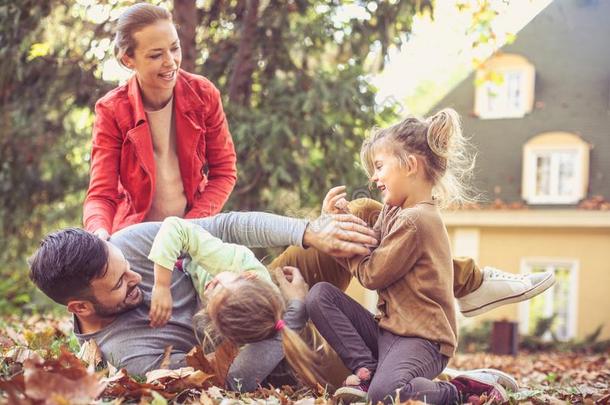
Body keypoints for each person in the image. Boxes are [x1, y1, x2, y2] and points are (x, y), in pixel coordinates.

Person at [305, 109, 509, 404]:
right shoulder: (394, 211)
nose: (374, 178)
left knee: (386, 395)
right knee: (320, 296)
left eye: (379, 166)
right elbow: (370, 245)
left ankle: (464, 389)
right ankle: (367, 371)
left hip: (424, 341)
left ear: (410, 165)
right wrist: (337, 221)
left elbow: (372, 273)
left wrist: (335, 243)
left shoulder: (417, 220)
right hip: (388, 333)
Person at [83, 3, 237, 240]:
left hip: (194, 231)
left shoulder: (204, 94)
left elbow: (224, 172)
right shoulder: (111, 110)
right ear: (128, 60)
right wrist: (98, 234)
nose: (171, 61)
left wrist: (187, 230)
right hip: (135, 237)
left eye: (174, 48)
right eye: (156, 55)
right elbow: (102, 194)